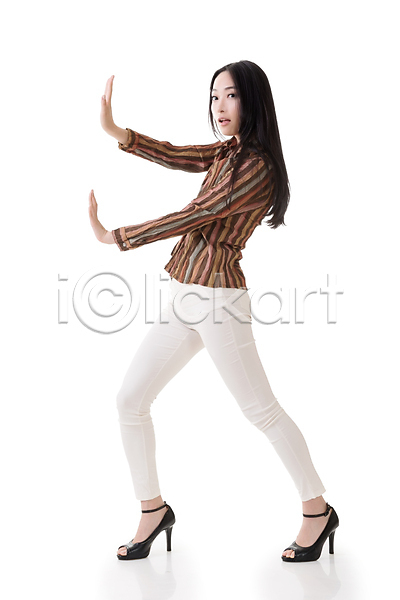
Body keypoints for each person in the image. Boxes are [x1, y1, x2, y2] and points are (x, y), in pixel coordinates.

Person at [88, 61, 339, 563]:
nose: (219, 106)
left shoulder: (257, 167)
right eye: (213, 96)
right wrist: (119, 133)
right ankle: (153, 510)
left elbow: (198, 213)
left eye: (230, 96)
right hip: (186, 293)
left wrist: (117, 237)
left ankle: (318, 510)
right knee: (130, 400)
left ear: (253, 100)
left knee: (261, 411)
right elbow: (179, 155)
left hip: (220, 300)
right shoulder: (229, 151)